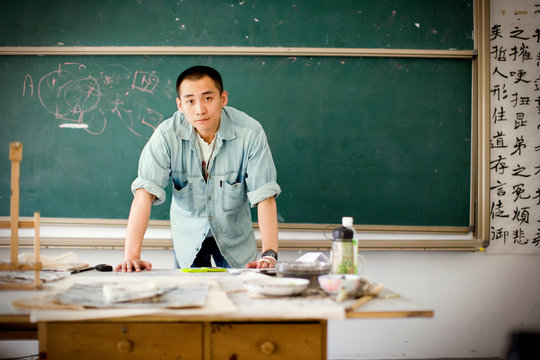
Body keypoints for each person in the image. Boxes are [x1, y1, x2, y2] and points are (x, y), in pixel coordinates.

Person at [115, 65, 280, 272]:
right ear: (180, 105)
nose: (200, 109)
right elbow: (144, 194)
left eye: (208, 98)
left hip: (234, 237)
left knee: (239, 295)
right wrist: (132, 256)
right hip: (188, 236)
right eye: (190, 101)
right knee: (188, 296)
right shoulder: (167, 135)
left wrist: (269, 253)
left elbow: (265, 195)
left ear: (223, 98)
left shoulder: (250, 133)